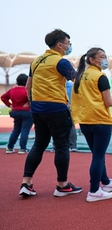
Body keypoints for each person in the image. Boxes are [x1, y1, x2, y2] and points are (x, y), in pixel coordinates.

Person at [19, 29, 82, 197]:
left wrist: (35, 104)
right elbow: (78, 82)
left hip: (37, 109)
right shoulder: (61, 62)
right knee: (61, 145)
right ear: (60, 45)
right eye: (68, 43)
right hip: (56, 108)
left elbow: (28, 87)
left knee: (39, 144)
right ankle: (62, 185)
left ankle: (26, 182)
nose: (69, 46)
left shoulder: (36, 61)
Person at [72, 48, 112, 202]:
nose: (105, 59)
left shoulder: (79, 77)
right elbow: (108, 102)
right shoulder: (100, 76)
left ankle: (106, 182)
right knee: (99, 156)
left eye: (105, 56)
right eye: (102, 57)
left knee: (97, 155)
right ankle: (94, 190)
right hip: (100, 120)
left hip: (85, 121)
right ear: (92, 60)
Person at [1, 73, 33, 154]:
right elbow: (33, 99)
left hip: (15, 111)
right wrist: (29, 103)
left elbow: (3, 97)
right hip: (27, 112)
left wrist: (10, 105)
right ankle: (22, 148)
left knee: (16, 130)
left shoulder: (12, 90)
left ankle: (10, 147)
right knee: (25, 130)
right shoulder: (27, 90)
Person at [66, 80, 78, 151]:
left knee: (58, 126)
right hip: (70, 107)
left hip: (60, 107)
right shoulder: (72, 85)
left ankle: (57, 145)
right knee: (71, 126)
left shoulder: (56, 84)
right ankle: (73, 145)